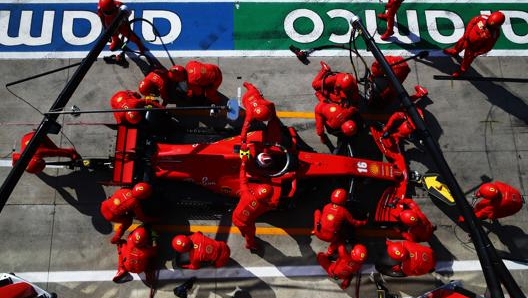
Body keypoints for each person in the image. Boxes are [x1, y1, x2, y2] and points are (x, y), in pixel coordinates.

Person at [232, 150, 279, 250]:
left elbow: (242, 178)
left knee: (242, 229)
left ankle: (242, 233)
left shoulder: (246, 194)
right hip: (247, 224)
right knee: (250, 235)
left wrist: (243, 162)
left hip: (235, 216)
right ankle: (250, 246)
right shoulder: (264, 206)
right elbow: (273, 205)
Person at [443, 11, 505, 77]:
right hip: (466, 39)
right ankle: (454, 51)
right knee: (458, 46)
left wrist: (477, 53)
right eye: (488, 23)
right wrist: (466, 35)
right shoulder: (483, 17)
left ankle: (462, 70)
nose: (487, 26)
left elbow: (488, 47)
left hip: (473, 49)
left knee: (467, 61)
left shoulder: (494, 35)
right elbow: (472, 22)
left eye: (490, 26)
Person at [312, 188, 368, 255]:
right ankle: (330, 251)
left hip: (318, 233)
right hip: (330, 237)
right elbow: (354, 222)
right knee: (341, 240)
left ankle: (314, 230)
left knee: (317, 212)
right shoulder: (344, 211)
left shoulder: (326, 206)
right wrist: (364, 222)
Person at [11, 131, 80, 174]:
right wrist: (15, 166)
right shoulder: (22, 157)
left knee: (54, 149)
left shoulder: (42, 151)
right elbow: (14, 157)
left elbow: (59, 152)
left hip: (37, 135)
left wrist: (72, 154)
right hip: (26, 137)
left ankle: (39, 133)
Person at [459, 181, 523, 222]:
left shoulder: (495, 205)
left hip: (514, 207)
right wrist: (479, 194)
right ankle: (476, 210)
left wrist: (464, 218)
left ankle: (493, 218)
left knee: (491, 215)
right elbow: (486, 190)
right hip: (515, 197)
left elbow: (481, 213)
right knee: (481, 204)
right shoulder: (498, 185)